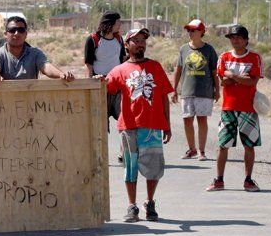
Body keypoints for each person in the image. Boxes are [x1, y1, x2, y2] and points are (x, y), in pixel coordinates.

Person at [103, 28, 172, 222]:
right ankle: (132, 206)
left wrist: (167, 124)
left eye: (143, 40)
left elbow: (164, 96)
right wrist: (99, 80)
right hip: (129, 126)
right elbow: (107, 87)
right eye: (136, 40)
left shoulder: (155, 67)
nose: (141, 44)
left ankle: (150, 202)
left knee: (153, 168)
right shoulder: (119, 70)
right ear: (126, 45)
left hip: (152, 126)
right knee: (130, 168)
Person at [206, 25, 263, 193]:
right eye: (232, 37)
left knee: (249, 145)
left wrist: (232, 75)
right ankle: (219, 179)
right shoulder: (224, 57)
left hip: (248, 108)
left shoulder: (254, 57)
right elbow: (223, 82)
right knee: (223, 144)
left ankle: (248, 180)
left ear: (246, 40)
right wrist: (239, 78)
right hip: (228, 107)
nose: (235, 40)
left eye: (238, 37)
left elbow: (252, 81)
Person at [170, 19, 219, 161]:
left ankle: (201, 151)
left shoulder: (209, 50)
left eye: (193, 30)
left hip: (204, 91)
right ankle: (191, 149)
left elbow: (215, 72)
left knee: (202, 120)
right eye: (188, 30)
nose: (190, 33)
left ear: (201, 32)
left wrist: (217, 90)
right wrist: (174, 89)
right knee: (187, 120)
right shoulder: (184, 49)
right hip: (187, 91)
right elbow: (178, 70)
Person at [84, 11, 127, 160]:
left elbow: (123, 60)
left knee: (124, 120)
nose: (120, 25)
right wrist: (90, 85)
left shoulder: (119, 39)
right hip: (100, 86)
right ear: (110, 23)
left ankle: (123, 153)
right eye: (118, 22)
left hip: (118, 87)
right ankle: (99, 156)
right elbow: (89, 65)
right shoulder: (93, 39)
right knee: (100, 124)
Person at [0, 16, 74, 86]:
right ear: (5, 34)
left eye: (21, 30)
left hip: (30, 100)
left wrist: (61, 74)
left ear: (26, 34)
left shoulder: (35, 53)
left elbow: (46, 66)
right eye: (12, 30)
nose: (16, 33)